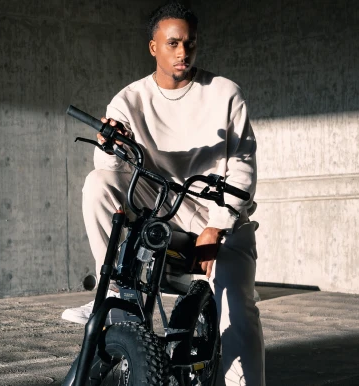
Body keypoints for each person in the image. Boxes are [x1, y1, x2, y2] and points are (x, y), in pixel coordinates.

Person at [62, 2, 265, 385]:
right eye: (172, 43)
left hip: (220, 218)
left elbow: (243, 167)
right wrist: (111, 143)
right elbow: (113, 173)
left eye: (189, 44)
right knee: (97, 183)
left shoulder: (224, 94)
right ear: (153, 46)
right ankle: (121, 296)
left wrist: (216, 227)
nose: (182, 53)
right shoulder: (129, 99)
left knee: (237, 311)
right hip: (161, 213)